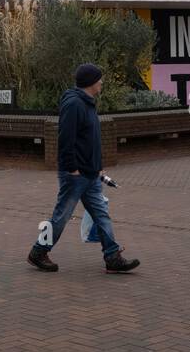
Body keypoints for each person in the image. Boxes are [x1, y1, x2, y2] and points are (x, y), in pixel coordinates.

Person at [28, 63, 140, 274]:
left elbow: (90, 140)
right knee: (61, 217)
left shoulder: (88, 103)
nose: (102, 82)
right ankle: (38, 252)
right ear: (90, 82)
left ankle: (112, 257)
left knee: (101, 215)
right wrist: (72, 168)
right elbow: (66, 139)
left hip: (90, 174)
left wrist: (98, 168)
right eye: (99, 79)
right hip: (76, 175)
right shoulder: (74, 104)